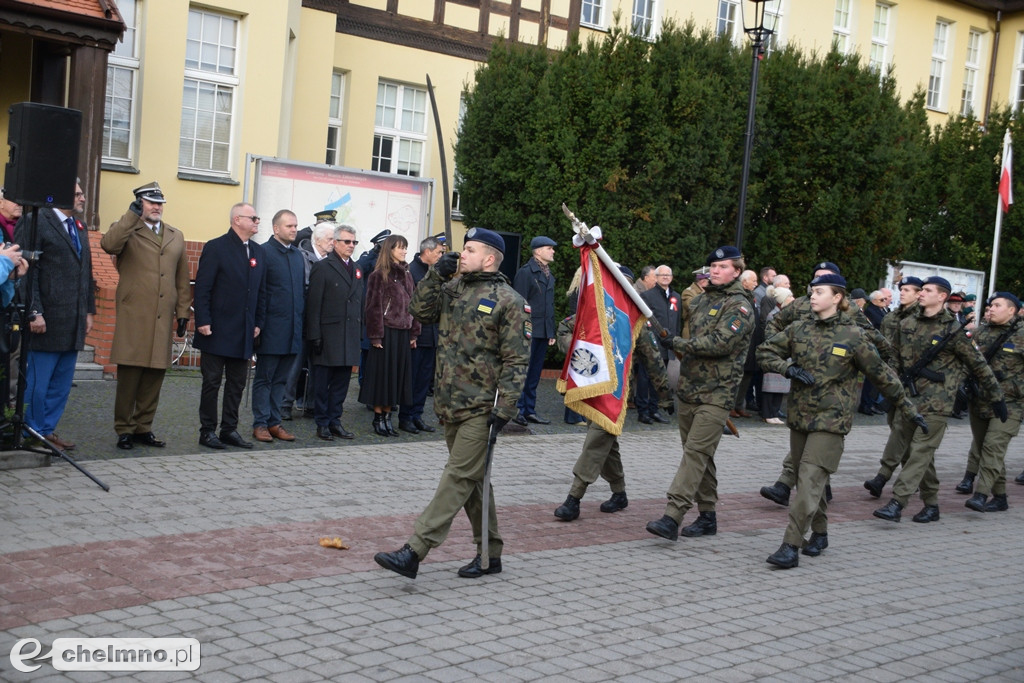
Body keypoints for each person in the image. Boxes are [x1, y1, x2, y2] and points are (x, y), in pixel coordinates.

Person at [374, 228, 530, 580]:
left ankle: (415, 549)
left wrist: (504, 409)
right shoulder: (453, 288)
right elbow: (420, 310)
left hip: (482, 407)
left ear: (489, 258)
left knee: (458, 476)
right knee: (473, 479)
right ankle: (490, 553)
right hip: (449, 402)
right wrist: (435, 274)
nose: (462, 254)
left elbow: (517, 360)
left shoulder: (510, 301)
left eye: (470, 250)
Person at [757, 273, 925, 568]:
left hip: (832, 423)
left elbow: (883, 376)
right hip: (800, 418)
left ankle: (790, 545)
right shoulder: (799, 328)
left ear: (837, 298)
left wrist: (909, 409)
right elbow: (764, 351)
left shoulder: (853, 335)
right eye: (812, 291)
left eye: (820, 291)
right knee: (812, 481)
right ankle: (820, 533)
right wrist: (787, 368)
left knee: (808, 480)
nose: (812, 295)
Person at [872, 276, 1005, 524]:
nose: (921, 293)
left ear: (942, 296)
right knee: (915, 455)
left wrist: (996, 396)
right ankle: (931, 505)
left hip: (937, 403)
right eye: (921, 290)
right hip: (908, 400)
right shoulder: (907, 323)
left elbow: (978, 365)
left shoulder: (953, 330)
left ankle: (897, 502)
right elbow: (894, 359)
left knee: (921, 452)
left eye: (928, 290)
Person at [645, 246, 755, 542]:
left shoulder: (740, 305)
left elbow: (720, 343)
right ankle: (708, 516)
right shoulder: (701, 300)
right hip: (691, 388)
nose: (715, 270)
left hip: (718, 393)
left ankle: (672, 515)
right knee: (698, 454)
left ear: (737, 271)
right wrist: (673, 341)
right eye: (712, 266)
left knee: (695, 453)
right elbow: (690, 338)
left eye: (722, 266)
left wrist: (681, 343)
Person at [553, 266, 674, 521]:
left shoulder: (634, 321)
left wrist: (665, 396)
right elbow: (565, 331)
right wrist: (576, 351)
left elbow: (653, 360)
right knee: (607, 446)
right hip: (590, 388)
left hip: (614, 395)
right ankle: (619, 493)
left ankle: (574, 499)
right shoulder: (592, 313)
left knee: (596, 443)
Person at [100, 181, 191, 450]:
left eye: (159, 203)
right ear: (139, 203)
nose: (156, 207)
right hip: (135, 314)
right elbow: (108, 245)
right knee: (130, 374)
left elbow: (182, 277)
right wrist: (131, 216)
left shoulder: (175, 234)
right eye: (151, 202)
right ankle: (124, 428)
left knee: (154, 375)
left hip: (163, 316)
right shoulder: (128, 229)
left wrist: (183, 311)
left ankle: (143, 427)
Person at [15, 180, 94, 451]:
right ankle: (31, 430)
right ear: (59, 197)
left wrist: (88, 310)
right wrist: (34, 311)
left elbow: (87, 272)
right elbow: (26, 271)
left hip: (72, 320)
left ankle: (47, 430)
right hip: (45, 320)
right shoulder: (35, 221)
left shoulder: (79, 227)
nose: (83, 199)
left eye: (82, 194)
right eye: (77, 194)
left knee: (61, 383)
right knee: (39, 381)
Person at [193, 203, 266, 450]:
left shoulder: (257, 251)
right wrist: (202, 320)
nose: (257, 221)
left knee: (237, 383)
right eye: (253, 217)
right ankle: (207, 431)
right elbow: (202, 287)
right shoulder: (216, 247)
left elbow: (261, 291)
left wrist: (258, 322)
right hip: (216, 328)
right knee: (212, 382)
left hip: (244, 330)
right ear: (237, 220)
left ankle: (229, 429)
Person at [957, 292, 1022, 512]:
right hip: (980, 401)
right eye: (990, 305)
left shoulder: (1022, 334)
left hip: (1010, 404)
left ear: (1011, 310)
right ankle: (1001, 497)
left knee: (994, 447)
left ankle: (981, 494)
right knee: (988, 449)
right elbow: (969, 361)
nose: (991, 309)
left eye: (997, 305)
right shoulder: (981, 332)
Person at [863, 276, 925, 498]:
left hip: (916, 384)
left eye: (908, 290)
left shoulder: (923, 317)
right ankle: (915, 476)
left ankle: (883, 475)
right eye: (902, 289)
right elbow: (886, 348)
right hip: (893, 380)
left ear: (919, 293)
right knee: (897, 427)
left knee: (901, 427)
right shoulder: (892, 317)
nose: (903, 293)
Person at [250, 210, 304, 443]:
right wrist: (258, 325)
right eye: (289, 226)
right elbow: (257, 292)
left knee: (282, 380)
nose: (294, 229)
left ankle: (274, 422)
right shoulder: (263, 252)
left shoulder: (297, 255)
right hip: (271, 329)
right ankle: (260, 423)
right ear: (276, 228)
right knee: (264, 378)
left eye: (295, 226)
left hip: (293, 329)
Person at [305, 224, 363, 441]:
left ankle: (335, 420)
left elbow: (359, 303)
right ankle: (322, 422)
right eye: (347, 241)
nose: (351, 246)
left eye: (354, 242)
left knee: (341, 383)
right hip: (328, 335)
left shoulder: (357, 268)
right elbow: (314, 304)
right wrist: (314, 335)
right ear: (335, 242)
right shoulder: (324, 267)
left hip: (348, 334)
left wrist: (359, 333)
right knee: (322, 383)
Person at [359, 234, 420, 437]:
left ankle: (388, 417)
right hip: (386, 333)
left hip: (403, 333)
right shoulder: (380, 274)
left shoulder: (408, 274)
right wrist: (375, 336)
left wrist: (414, 332)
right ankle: (378, 418)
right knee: (382, 378)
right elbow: (372, 307)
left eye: (405, 247)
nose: (404, 251)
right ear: (390, 250)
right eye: (400, 248)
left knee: (395, 378)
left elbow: (414, 305)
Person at [281, 220, 336, 420]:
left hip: (324, 322)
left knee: (318, 365)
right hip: (304, 319)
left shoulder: (332, 259)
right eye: (331, 239)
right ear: (319, 240)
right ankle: (284, 404)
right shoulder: (301, 258)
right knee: (295, 364)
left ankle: (311, 404)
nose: (333, 243)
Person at [398, 236, 444, 434]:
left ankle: (417, 415)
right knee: (412, 378)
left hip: (432, 334)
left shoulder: (435, 272)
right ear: (428, 251)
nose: (441, 256)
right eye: (439, 252)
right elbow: (408, 304)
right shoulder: (411, 271)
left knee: (424, 380)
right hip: (416, 334)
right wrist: (412, 334)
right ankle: (405, 417)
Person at [513, 235, 557, 426]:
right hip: (529, 330)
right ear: (538, 251)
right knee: (524, 371)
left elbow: (550, 305)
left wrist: (551, 331)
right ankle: (518, 409)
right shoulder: (526, 273)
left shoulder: (548, 275)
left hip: (543, 331)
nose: (553, 251)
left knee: (535, 373)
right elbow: (519, 303)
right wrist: (522, 330)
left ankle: (529, 409)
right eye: (549, 248)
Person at [637, 264, 680, 424]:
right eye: (662, 275)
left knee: (661, 379)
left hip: (667, 345)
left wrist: (675, 341)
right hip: (650, 345)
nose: (665, 278)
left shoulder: (676, 296)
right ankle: (643, 411)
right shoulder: (647, 296)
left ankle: (654, 409)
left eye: (668, 275)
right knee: (645, 378)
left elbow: (677, 321)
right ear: (656, 277)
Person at [758, 286, 794, 424]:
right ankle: (768, 413)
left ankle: (775, 411)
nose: (793, 299)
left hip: (784, 353)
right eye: (789, 297)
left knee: (781, 385)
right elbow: (772, 336)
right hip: (774, 354)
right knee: (770, 385)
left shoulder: (786, 314)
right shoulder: (773, 315)